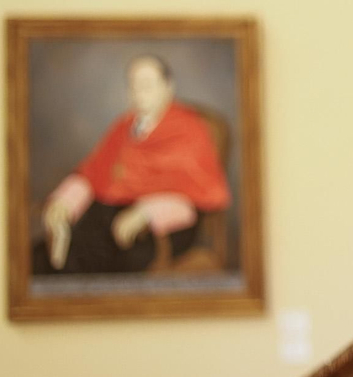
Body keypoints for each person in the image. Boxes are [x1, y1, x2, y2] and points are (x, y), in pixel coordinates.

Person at [38, 55, 230, 275]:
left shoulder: (190, 129)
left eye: (147, 84)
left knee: (99, 259)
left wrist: (146, 212)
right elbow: (95, 172)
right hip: (111, 213)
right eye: (133, 85)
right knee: (47, 256)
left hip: (159, 228)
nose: (139, 91)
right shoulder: (123, 127)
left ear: (168, 87)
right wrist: (64, 203)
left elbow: (194, 200)